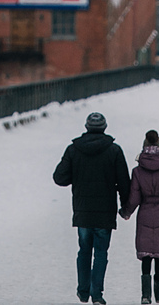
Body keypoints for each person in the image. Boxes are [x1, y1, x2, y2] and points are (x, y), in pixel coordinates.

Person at [54, 111, 131, 304]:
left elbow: (59, 178)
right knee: (101, 253)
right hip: (105, 211)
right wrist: (125, 207)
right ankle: (97, 294)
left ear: (86, 128)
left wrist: (77, 174)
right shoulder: (114, 151)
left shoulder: (74, 150)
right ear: (104, 128)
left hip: (82, 210)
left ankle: (82, 290)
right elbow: (124, 183)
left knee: (84, 250)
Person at [122, 129, 159, 304]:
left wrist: (126, 212)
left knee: (146, 256)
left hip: (145, 215)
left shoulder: (137, 172)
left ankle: (145, 295)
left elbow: (133, 197)